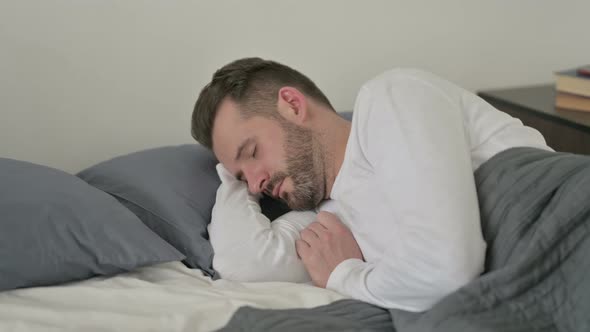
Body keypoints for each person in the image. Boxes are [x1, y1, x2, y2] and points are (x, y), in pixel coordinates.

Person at [191, 57, 551, 311]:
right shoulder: (330, 224)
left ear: (291, 104)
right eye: (243, 178)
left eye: (252, 151)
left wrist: (346, 276)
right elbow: (245, 262)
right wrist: (232, 174)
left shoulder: (391, 97)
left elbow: (449, 268)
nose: (256, 185)